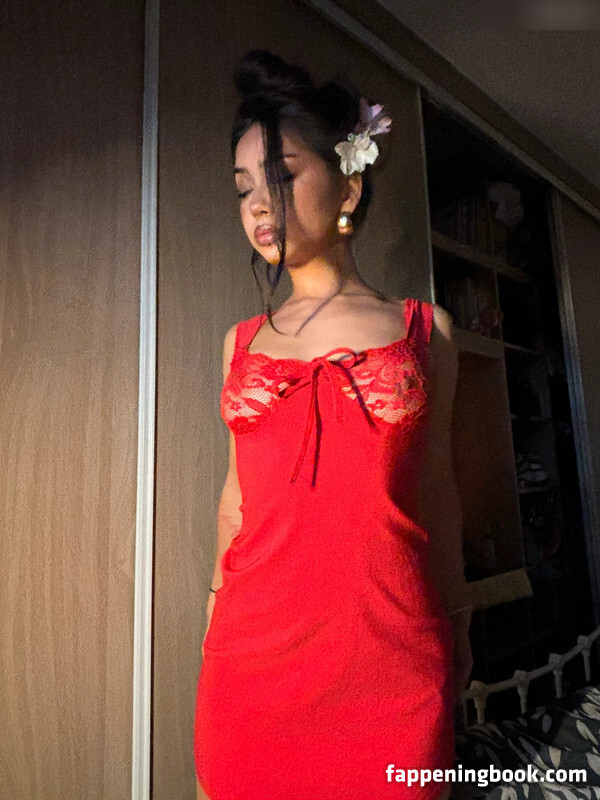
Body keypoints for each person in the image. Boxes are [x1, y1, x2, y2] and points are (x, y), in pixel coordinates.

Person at [194, 49, 473, 800]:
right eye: (243, 188)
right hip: (249, 663)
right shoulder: (239, 343)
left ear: (348, 183)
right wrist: (213, 620)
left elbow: (439, 493)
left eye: (281, 178)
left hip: (391, 658)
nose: (258, 205)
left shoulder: (427, 330)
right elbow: (235, 501)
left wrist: (458, 620)